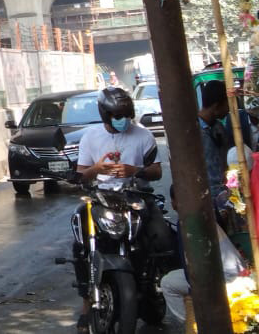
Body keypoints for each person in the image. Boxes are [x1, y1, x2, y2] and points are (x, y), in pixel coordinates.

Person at [73, 87, 161, 332]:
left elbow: (157, 171)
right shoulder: (90, 137)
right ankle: (86, 304)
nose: (123, 120)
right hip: (101, 199)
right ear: (105, 115)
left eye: (126, 115)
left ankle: (155, 285)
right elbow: (81, 176)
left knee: (160, 238)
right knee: (81, 241)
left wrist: (135, 171)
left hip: (135, 197)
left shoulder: (144, 136)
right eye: (117, 115)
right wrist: (97, 169)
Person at [160, 184, 247, 323]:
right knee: (171, 279)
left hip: (224, 278)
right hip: (237, 271)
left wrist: (196, 291)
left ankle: (194, 325)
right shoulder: (209, 211)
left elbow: (191, 271)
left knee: (167, 283)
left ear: (174, 203)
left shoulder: (186, 221)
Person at [198, 79, 234, 207]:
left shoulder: (218, 128)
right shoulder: (194, 132)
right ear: (216, 106)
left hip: (224, 196)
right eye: (227, 104)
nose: (229, 108)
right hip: (206, 201)